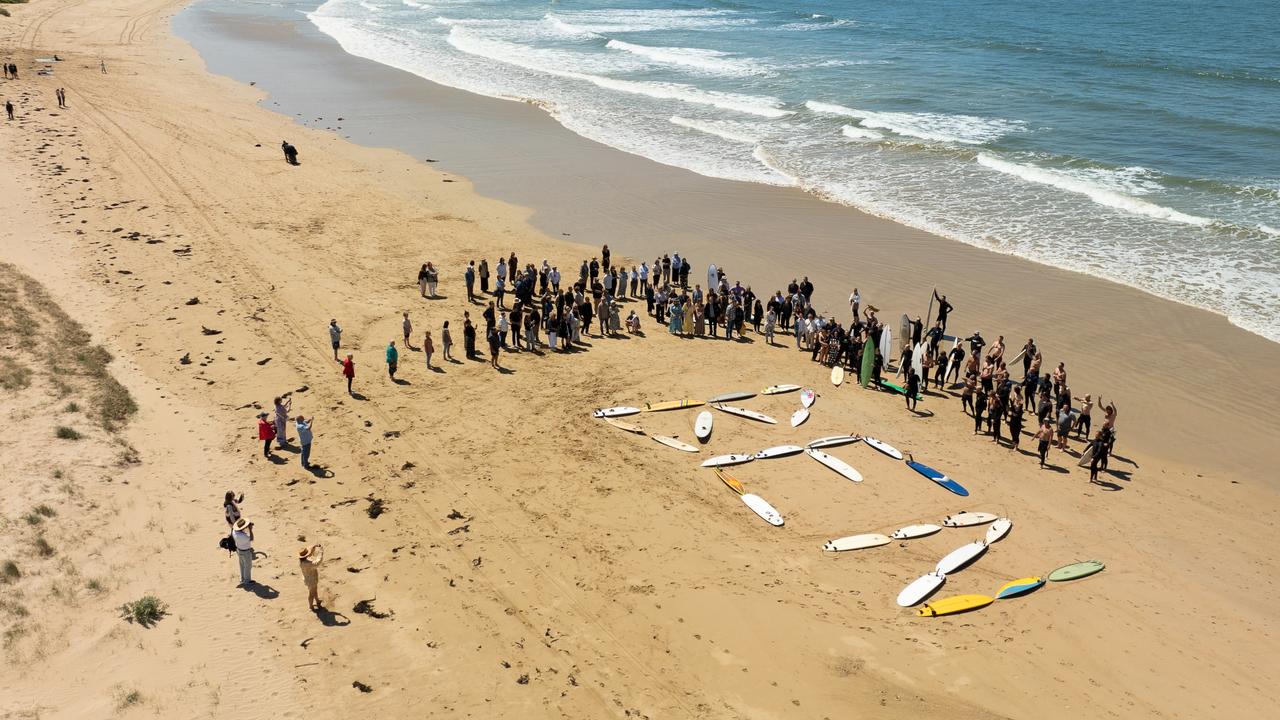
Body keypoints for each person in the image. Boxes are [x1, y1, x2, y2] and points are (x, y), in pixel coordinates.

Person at [299, 545, 324, 610]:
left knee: (314, 591)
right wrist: (321, 553)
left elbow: (310, 551)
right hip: (312, 580)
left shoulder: (302, 562)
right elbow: (318, 562)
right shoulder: (308, 564)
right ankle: (311, 606)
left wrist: (314, 546)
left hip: (307, 579)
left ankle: (317, 601)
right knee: (311, 594)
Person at [232, 518, 255, 586]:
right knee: (248, 566)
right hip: (246, 552)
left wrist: (247, 527)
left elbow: (242, 531)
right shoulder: (243, 536)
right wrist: (250, 529)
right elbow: (251, 538)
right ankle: (247, 581)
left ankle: (242, 579)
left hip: (239, 550)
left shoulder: (234, 531)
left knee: (242, 565)